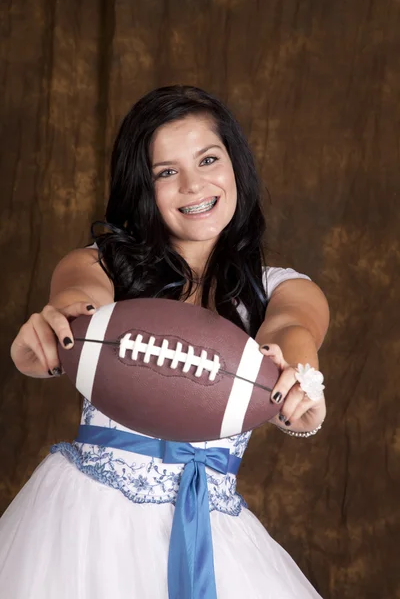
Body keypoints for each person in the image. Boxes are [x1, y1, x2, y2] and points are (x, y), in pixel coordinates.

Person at [1, 85, 329, 598]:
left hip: (216, 531)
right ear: (142, 187)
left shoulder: (285, 287)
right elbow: (78, 300)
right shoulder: (98, 264)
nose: (194, 185)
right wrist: (53, 336)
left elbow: (292, 331)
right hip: (87, 519)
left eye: (208, 159)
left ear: (235, 165)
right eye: (167, 172)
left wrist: (299, 380)